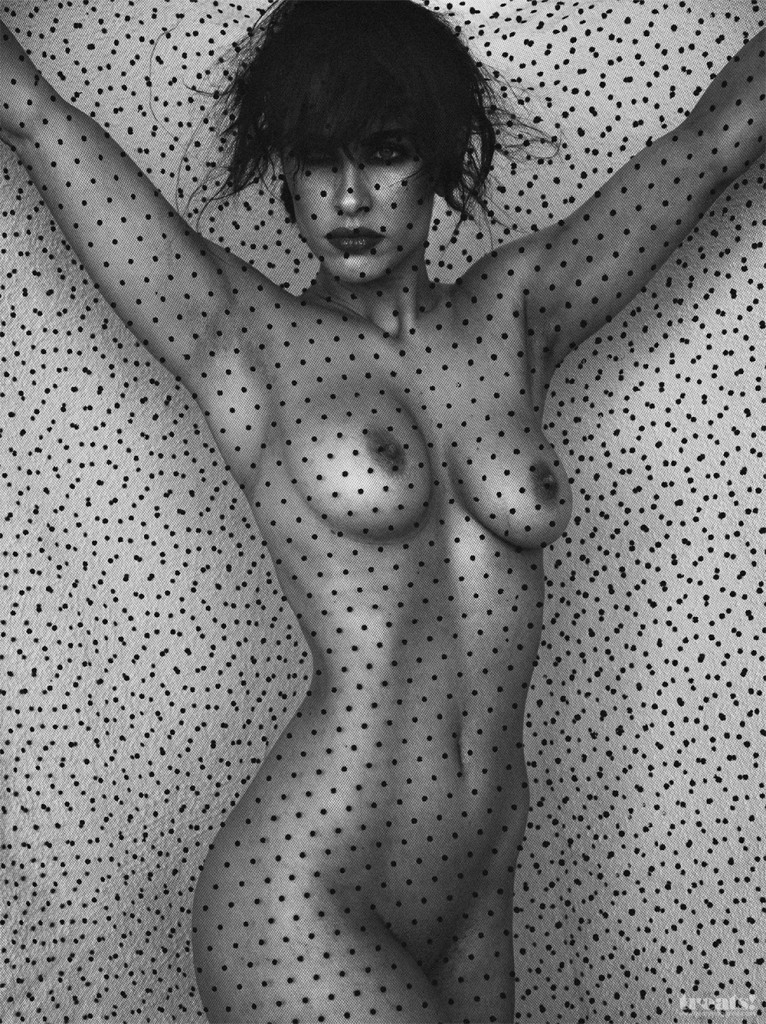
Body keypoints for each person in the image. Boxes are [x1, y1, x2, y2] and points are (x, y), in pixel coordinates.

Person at [1, 1, 763, 1021]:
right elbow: (33, 115)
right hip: (309, 895)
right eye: (317, 160)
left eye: (387, 152)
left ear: (439, 163)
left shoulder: (517, 312)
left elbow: (711, 147)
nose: (350, 196)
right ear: (284, 175)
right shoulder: (246, 339)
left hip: (475, 897)